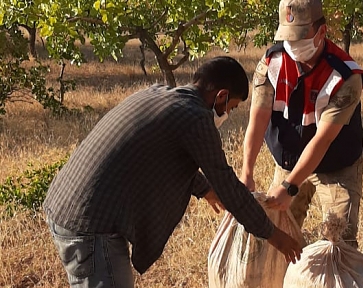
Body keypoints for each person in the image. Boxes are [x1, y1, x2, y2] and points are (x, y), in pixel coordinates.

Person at [43, 56, 302, 287]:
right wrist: (273, 235)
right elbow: (228, 184)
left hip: (66, 203)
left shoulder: (158, 94)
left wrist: (205, 190)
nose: (228, 114)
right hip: (89, 225)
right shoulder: (197, 118)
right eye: (231, 108)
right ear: (221, 96)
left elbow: (162, 156)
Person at [241, 0, 363, 248]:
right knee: (276, 238)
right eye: (287, 37)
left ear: (322, 32)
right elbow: (257, 119)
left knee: (339, 241)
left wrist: (289, 188)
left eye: (299, 36)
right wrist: (247, 172)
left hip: (335, 164)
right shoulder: (270, 63)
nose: (292, 45)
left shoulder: (346, 77)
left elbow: (323, 139)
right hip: (290, 159)